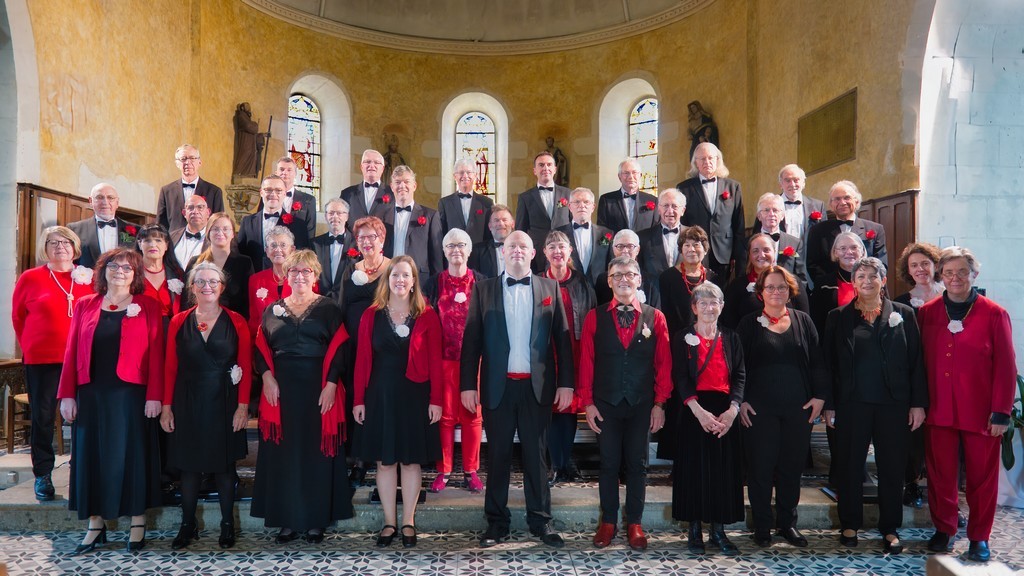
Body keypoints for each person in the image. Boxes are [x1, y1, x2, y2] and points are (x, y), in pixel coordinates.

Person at [460, 230, 575, 548]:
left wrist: (566, 383)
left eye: (523, 246)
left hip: (536, 388)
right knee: (497, 457)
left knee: (537, 456)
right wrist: (467, 385)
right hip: (498, 387)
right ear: (502, 252)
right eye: (512, 246)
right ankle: (496, 523)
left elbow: (562, 340)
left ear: (533, 251)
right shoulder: (483, 290)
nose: (517, 251)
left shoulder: (549, 287)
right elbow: (471, 343)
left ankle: (541, 520)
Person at [57, 248, 164, 554]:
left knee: (132, 457)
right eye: (114, 266)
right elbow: (71, 350)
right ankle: (95, 524)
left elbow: (157, 353)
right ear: (102, 271)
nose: (120, 271)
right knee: (91, 457)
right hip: (91, 393)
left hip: (131, 394)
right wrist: (67, 394)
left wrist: (155, 395)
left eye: (127, 268)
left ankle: (137, 522)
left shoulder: (149, 305)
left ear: (136, 274)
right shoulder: (84, 305)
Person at [821, 257, 927, 555]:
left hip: (893, 405)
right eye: (861, 276)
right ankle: (850, 523)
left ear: (883, 281)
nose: (867, 281)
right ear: (852, 282)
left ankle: (890, 527)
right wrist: (829, 404)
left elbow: (916, 362)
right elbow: (827, 365)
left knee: (892, 467)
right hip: (851, 403)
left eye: (873, 276)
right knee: (850, 466)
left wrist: (918, 404)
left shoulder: (904, 314)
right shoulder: (837, 316)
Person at [919, 247, 1016, 562]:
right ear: (941, 276)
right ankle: (944, 528)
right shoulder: (928, 312)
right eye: (948, 272)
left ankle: (978, 537)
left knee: (982, 478)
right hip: (938, 410)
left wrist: (1001, 411)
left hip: (982, 413)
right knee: (940, 475)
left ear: (974, 274)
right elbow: (918, 363)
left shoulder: (994, 313)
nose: (955, 278)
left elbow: (1005, 365)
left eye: (962, 271)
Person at [251, 249, 352, 543]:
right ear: (286, 275)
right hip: (281, 391)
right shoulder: (273, 309)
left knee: (315, 454)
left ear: (315, 276)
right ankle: (287, 520)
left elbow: (340, 347)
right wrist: (267, 377)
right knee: (285, 454)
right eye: (294, 271)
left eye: (306, 271)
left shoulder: (328, 308)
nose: (299, 276)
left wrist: (332, 384)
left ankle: (315, 520)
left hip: (318, 388)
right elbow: (260, 348)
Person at [576, 256, 672, 551]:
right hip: (606, 404)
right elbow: (586, 362)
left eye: (630, 274)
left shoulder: (656, 317)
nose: (624, 280)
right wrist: (588, 403)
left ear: (639, 280)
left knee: (637, 465)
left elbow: (664, 363)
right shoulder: (595, 316)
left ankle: (635, 523)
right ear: (609, 281)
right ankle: (608, 522)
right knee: (607, 464)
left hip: (642, 403)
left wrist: (659, 403)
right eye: (617, 275)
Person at [353, 255, 443, 548]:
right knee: (385, 461)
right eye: (395, 276)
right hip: (380, 394)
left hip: (415, 395)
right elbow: (363, 361)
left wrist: (436, 400)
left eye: (406, 275)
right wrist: (359, 400)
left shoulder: (427, 315)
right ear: (387, 280)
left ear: (414, 281)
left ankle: (409, 521)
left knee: (410, 460)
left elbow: (436, 363)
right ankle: (389, 522)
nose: (400, 280)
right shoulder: (371, 315)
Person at [161, 262, 251, 550]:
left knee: (224, 467)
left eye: (213, 281)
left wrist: (242, 406)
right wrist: (166, 406)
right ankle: (188, 524)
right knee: (188, 467)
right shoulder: (178, 321)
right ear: (192, 288)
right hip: (187, 399)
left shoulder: (237, 321)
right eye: (201, 282)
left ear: (222, 287)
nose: (207, 286)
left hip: (224, 401)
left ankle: (227, 524)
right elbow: (169, 368)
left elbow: (246, 367)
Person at [736, 266, 826, 548]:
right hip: (759, 410)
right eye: (771, 287)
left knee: (791, 468)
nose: (777, 292)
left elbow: (818, 362)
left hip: (798, 409)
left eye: (782, 287)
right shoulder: (748, 324)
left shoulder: (804, 321)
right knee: (760, 469)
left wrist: (820, 397)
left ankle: (787, 523)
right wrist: (740, 402)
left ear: (790, 291)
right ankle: (762, 524)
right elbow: (736, 367)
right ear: (760, 292)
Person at [12, 226, 95, 502]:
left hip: (82, 359)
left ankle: (81, 471)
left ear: (75, 248)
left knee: (83, 416)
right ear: (44, 248)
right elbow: (18, 317)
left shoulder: (88, 279)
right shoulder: (31, 278)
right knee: (43, 417)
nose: (60, 247)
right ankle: (43, 475)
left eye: (66, 242)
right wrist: (32, 347)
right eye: (53, 242)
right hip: (43, 359)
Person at [671, 281, 745, 555]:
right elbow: (680, 376)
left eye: (714, 302)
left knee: (722, 472)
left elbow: (739, 375)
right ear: (694, 307)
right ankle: (694, 530)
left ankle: (718, 530)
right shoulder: (682, 337)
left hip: (725, 411)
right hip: (694, 410)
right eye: (703, 302)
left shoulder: (732, 337)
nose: (709, 307)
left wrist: (733, 410)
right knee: (693, 471)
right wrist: (698, 410)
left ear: (722, 306)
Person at [421, 229, 484, 494]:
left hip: (474, 361)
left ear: (469, 250)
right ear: (444, 251)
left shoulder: (481, 281)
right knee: (444, 418)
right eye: (450, 245)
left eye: (461, 245)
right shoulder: (433, 283)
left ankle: (471, 471)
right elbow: (424, 319)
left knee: (472, 416)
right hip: (443, 360)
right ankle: (443, 470)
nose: (456, 250)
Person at [542, 231, 596, 486]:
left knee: (570, 408)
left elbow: (592, 318)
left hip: (575, 350)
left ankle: (564, 461)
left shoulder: (583, 283)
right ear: (544, 253)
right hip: (546, 352)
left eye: (561, 247)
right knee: (553, 408)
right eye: (551, 247)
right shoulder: (538, 281)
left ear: (570, 252)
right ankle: (555, 463)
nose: (557, 251)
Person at [340, 216, 391, 488]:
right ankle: (358, 459)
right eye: (361, 238)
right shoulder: (350, 269)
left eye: (372, 237)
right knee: (357, 400)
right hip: (354, 346)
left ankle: (381, 455)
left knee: (378, 400)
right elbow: (340, 305)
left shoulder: (393, 268)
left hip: (383, 347)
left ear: (382, 240)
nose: (367, 242)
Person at [892, 241, 944, 508]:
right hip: (914, 373)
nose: (920, 269)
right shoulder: (900, 303)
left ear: (935, 265)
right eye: (914, 265)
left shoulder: (952, 295)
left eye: (925, 263)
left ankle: (944, 493)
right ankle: (911, 483)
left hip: (945, 376)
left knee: (942, 437)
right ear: (907, 271)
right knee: (912, 431)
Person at [676, 143, 746, 281]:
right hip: (695, 252)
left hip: (724, 253)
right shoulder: (684, 188)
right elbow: (681, 224)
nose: (707, 162)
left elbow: (739, 224)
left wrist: (737, 257)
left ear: (717, 160)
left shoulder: (733, 187)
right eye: (702, 159)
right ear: (695, 162)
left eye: (710, 158)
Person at [720, 233, 810, 329]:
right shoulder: (737, 286)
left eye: (766, 250)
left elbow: (804, 320)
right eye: (755, 251)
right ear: (749, 256)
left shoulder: (792, 281)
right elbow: (729, 322)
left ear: (774, 252)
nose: (761, 255)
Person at [806, 180, 887, 284]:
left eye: (847, 198)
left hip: (868, 288)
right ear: (831, 204)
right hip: (831, 291)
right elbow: (813, 264)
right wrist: (831, 285)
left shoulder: (876, 229)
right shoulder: (818, 231)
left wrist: (865, 283)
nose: (842, 202)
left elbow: (881, 264)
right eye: (837, 199)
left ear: (857, 201)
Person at [187, 212, 254, 317]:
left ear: (233, 234)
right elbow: (186, 299)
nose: (220, 232)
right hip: (199, 323)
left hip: (233, 324)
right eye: (215, 229)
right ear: (208, 233)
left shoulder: (244, 263)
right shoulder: (195, 262)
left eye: (225, 229)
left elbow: (248, 302)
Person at [515, 152, 573, 272]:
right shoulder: (525, 197)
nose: (545, 168)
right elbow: (520, 231)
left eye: (549, 164)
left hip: (563, 255)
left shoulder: (568, 194)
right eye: (541, 165)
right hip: (537, 256)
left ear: (555, 169)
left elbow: (573, 225)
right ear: (535, 170)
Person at [382, 165, 442, 278]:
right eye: (398, 182)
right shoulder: (382, 216)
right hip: (389, 278)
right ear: (391, 186)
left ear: (414, 186)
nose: (402, 186)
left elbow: (437, 257)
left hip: (420, 281)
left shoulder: (431, 216)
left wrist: (435, 286)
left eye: (406, 182)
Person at [238, 175, 309, 272]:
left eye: (278, 190)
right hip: (252, 279)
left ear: (284, 194)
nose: (273, 194)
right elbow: (241, 254)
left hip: (285, 281)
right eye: (268, 190)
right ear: (261, 192)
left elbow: (301, 258)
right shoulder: (247, 222)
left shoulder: (298, 225)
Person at [659, 226, 720, 337]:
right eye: (687, 245)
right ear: (681, 250)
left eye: (696, 245)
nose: (691, 249)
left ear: (705, 250)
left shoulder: (713, 278)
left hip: (706, 338)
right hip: (676, 338)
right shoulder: (667, 277)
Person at [438, 158, 494, 266]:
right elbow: (442, 234)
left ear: (475, 175)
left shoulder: (486, 203)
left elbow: (489, 235)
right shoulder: (445, 203)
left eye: (469, 172)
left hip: (480, 260)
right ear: (455, 176)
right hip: (454, 259)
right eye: (461, 172)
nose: (465, 176)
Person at [68, 183, 138, 269]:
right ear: (90, 201)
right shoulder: (74, 229)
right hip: (89, 281)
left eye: (110, 198)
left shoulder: (137, 230)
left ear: (117, 202)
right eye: (99, 197)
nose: (105, 202)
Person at [554, 187, 612, 290]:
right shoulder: (557, 234)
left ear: (593, 207)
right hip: (568, 291)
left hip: (599, 292)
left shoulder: (607, 234)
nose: (582, 206)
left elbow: (611, 265)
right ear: (570, 207)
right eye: (577, 202)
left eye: (586, 202)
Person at [809, 232, 866, 336]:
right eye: (843, 248)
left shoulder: (874, 281)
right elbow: (816, 321)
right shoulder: (823, 284)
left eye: (854, 247)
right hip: (835, 343)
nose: (849, 252)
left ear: (862, 251)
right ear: (835, 253)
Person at [157, 144, 225, 232]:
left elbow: (219, 222)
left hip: (205, 243)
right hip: (175, 243)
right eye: (183, 159)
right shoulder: (166, 191)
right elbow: (161, 225)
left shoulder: (214, 191)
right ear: (177, 163)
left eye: (192, 158)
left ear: (199, 162)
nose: (188, 162)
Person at [636, 188, 686, 297]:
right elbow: (638, 271)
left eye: (674, 206)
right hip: (655, 297)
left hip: (685, 297)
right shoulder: (643, 237)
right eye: (666, 206)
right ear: (659, 209)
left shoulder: (693, 236)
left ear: (683, 210)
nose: (670, 211)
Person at [752, 193, 808, 284]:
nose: (771, 214)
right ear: (759, 216)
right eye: (766, 210)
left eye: (775, 210)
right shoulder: (747, 243)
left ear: (782, 215)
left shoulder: (795, 243)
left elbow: (801, 278)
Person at [136, 224, 186, 324]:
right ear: (139, 244)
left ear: (166, 245)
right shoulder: (130, 273)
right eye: (147, 240)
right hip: (139, 327)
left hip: (171, 330)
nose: (153, 245)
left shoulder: (178, 273)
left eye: (158, 240)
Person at [777, 164, 827, 263]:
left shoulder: (818, 206)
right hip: (779, 262)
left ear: (803, 183)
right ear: (781, 184)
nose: (792, 184)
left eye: (796, 180)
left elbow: (823, 238)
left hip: (809, 262)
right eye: (787, 180)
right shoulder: (769, 205)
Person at [596, 229, 658, 307]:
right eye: (620, 246)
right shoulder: (602, 280)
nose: (625, 251)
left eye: (630, 246)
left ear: (638, 250)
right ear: (613, 250)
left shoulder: (651, 282)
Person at [596, 159, 660, 233]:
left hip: (644, 244)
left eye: (634, 172)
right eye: (626, 173)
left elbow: (656, 230)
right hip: (616, 244)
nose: (630, 177)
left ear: (640, 175)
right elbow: (602, 230)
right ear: (619, 177)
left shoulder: (653, 200)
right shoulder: (606, 200)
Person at [312, 198, 356, 304]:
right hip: (320, 302)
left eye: (339, 213)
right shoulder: (314, 244)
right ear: (326, 216)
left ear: (347, 216)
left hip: (348, 302)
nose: (335, 217)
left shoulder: (358, 244)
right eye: (331, 213)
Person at [340, 149, 392, 228]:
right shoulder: (347, 193)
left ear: (382, 168)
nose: (371, 165)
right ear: (361, 167)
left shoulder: (393, 193)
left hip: (383, 240)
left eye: (376, 162)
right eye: (367, 162)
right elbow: (341, 223)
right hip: (354, 240)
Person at [275, 156, 316, 247]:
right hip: (273, 251)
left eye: (289, 170)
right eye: (281, 169)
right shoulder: (268, 198)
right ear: (276, 173)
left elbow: (310, 232)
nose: (285, 173)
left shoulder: (308, 200)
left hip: (297, 252)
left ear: (295, 174)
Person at [170, 194, 211, 270]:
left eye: (200, 207)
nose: (195, 212)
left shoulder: (214, 238)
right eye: (190, 208)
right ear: (184, 213)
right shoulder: (171, 237)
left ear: (208, 212)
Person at [477, 204, 514, 278]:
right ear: (490, 226)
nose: (500, 223)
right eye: (496, 220)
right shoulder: (477, 251)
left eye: (504, 220)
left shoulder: (523, 249)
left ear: (512, 224)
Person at [232, 103, 261, 178]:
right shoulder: (241, 116)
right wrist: (255, 125)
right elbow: (248, 126)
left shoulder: (247, 118)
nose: (249, 109)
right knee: (244, 155)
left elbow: (252, 128)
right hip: (245, 142)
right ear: (243, 108)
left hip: (251, 143)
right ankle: (238, 174)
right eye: (247, 107)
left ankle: (249, 174)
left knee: (252, 156)